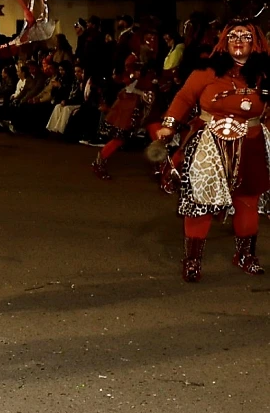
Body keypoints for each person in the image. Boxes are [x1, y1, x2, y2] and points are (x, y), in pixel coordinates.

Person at [156, 16, 268, 282]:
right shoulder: (207, 71)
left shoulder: (265, 75)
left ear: (256, 43)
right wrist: (169, 125)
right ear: (224, 42)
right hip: (208, 144)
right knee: (200, 202)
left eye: (245, 37)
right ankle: (192, 261)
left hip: (250, 143)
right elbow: (185, 97)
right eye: (233, 37)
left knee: (247, 201)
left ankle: (245, 255)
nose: (238, 41)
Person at [92, 31, 162, 180]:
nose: (149, 43)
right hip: (131, 104)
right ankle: (99, 162)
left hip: (148, 104)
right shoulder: (132, 60)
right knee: (120, 137)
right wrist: (142, 92)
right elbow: (129, 85)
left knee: (157, 135)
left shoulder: (145, 58)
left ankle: (160, 167)